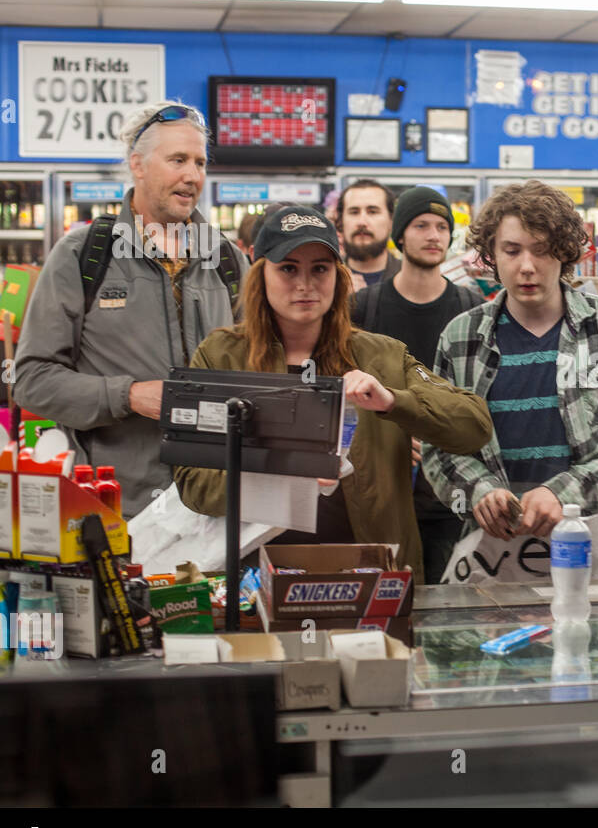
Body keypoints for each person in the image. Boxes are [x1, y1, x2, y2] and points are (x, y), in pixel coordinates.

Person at [173, 205, 493, 584]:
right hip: (256, 582)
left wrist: (392, 401)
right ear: (261, 275)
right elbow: (192, 482)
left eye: (320, 269)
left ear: (339, 278)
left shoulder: (381, 355)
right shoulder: (221, 355)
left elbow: (474, 424)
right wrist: (290, 475)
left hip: (372, 580)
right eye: (288, 268)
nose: (305, 284)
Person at [14, 101, 248, 517]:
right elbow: (31, 379)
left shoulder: (226, 259)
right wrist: (129, 396)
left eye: (199, 162)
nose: (192, 176)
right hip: (117, 508)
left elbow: (261, 369)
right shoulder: (83, 255)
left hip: (218, 506)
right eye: (177, 160)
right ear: (137, 165)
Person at [422, 180, 598, 551]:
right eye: (512, 251)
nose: (527, 267)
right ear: (491, 254)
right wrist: (480, 491)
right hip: (497, 550)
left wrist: (564, 493)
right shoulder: (460, 338)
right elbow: (439, 445)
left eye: (542, 250)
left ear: (564, 253)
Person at [353, 186, 483, 584]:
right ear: (399, 235)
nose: (433, 235)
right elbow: (347, 392)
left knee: (450, 607)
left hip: (448, 494)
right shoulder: (364, 307)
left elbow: (475, 397)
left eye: (442, 226)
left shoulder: (469, 308)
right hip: (384, 487)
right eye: (421, 225)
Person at [338, 179, 398, 290]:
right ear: (341, 221)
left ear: (391, 221)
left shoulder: (411, 281)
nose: (362, 222)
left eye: (372, 212)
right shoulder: (326, 278)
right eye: (354, 212)